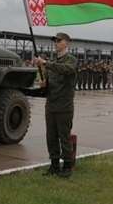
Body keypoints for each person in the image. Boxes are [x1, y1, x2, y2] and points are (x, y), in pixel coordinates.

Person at [33, 32, 78, 178]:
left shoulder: (71, 60)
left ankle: (67, 165)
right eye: (55, 41)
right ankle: (54, 164)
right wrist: (44, 85)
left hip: (64, 106)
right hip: (51, 105)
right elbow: (50, 84)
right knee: (51, 137)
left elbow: (66, 70)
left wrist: (45, 63)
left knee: (64, 137)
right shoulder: (53, 63)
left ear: (67, 43)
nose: (56, 43)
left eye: (59, 41)